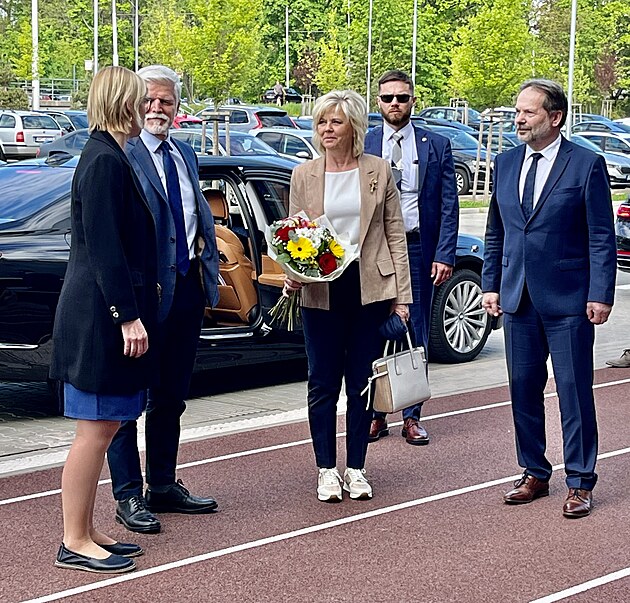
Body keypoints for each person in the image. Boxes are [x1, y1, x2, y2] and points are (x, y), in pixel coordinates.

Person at [482, 79, 616, 518]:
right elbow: (497, 231)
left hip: (570, 301)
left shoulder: (586, 164)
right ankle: (535, 472)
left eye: (528, 112)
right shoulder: (504, 163)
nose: (518, 119)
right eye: (517, 112)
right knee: (523, 388)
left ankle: (580, 481)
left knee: (574, 391)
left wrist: (600, 293)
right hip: (517, 298)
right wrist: (490, 284)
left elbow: (601, 235)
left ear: (554, 117)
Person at [49, 66, 157, 573]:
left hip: (102, 314)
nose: (147, 109)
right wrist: (126, 317)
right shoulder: (102, 160)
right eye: (140, 100)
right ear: (122, 103)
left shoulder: (108, 155)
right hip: (98, 319)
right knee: (94, 430)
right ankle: (74, 540)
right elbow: (103, 248)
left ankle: (86, 530)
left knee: (106, 426)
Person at [106, 65, 220, 534]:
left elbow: (194, 218)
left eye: (166, 101)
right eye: (149, 100)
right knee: (127, 400)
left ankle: (163, 484)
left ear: (177, 107)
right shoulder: (122, 153)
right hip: (143, 295)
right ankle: (128, 495)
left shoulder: (184, 153)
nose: (157, 108)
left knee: (171, 396)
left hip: (186, 288)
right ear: (135, 103)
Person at [284, 90, 412, 502]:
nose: (327, 129)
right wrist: (292, 274)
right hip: (321, 290)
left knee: (361, 382)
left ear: (353, 127)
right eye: (321, 121)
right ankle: (326, 469)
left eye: (335, 122)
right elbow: (294, 233)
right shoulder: (303, 174)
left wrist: (402, 298)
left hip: (369, 288)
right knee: (322, 383)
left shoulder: (378, 169)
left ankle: (356, 467)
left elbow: (394, 233)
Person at [365, 70, 459, 445]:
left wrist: (444, 253)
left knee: (415, 330)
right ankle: (375, 413)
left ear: (413, 101)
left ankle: (412, 415)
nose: (395, 104)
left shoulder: (436, 144)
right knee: (372, 328)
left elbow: (449, 204)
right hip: (374, 251)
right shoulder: (365, 141)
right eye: (388, 98)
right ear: (378, 101)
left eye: (402, 97)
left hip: (418, 247)